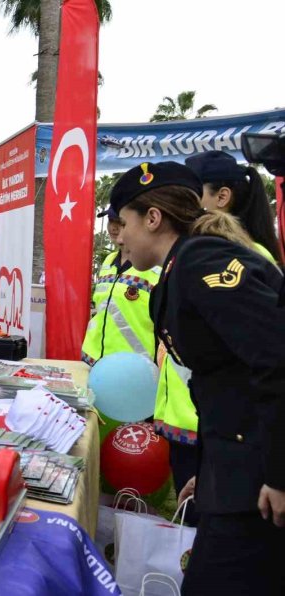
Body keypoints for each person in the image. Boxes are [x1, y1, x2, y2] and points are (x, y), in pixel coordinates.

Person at [111, 161, 285, 594]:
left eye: (123, 224)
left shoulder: (202, 263)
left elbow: (276, 360)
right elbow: (223, 381)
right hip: (234, 471)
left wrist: (280, 474)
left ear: (153, 218)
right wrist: (210, 472)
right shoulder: (183, 266)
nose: (119, 237)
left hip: (258, 482)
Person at [152, 151, 282, 523]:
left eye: (189, 195)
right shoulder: (191, 255)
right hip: (199, 421)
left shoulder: (227, 257)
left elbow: (270, 359)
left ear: (221, 197)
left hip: (238, 439)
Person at [80, 208, 160, 366]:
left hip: (131, 367)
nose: (114, 227)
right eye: (111, 221)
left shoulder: (154, 267)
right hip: (93, 361)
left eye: (120, 222)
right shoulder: (108, 261)